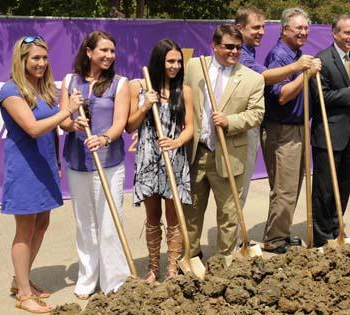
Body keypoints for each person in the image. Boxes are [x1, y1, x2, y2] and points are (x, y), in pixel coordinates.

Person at [0, 35, 82, 313]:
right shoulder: (10, 91)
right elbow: (33, 128)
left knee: (42, 224)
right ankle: (24, 296)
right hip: (24, 170)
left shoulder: (43, 89)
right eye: (35, 58)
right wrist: (66, 111)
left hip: (45, 166)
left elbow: (56, 126)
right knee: (24, 231)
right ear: (21, 60)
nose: (41, 63)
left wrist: (73, 123)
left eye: (44, 58)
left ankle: (19, 280)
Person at [60, 31, 130, 299]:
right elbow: (63, 119)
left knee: (110, 221)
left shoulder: (120, 83)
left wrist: (103, 138)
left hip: (109, 163)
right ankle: (88, 277)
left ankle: (115, 278)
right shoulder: (70, 81)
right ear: (89, 52)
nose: (109, 56)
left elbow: (120, 123)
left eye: (112, 51)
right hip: (78, 162)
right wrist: (72, 122)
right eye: (103, 51)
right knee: (85, 222)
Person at [183, 24, 265, 258]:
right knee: (192, 210)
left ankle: (225, 260)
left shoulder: (252, 79)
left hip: (229, 153)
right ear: (215, 46)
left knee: (229, 213)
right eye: (229, 47)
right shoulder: (195, 67)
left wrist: (229, 121)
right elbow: (183, 98)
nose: (234, 52)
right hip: (197, 152)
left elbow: (257, 114)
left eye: (238, 48)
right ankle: (192, 256)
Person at [126, 39, 194, 282]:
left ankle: (172, 268)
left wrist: (176, 143)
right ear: (159, 61)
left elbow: (190, 128)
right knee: (153, 216)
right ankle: (154, 269)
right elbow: (129, 126)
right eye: (170, 61)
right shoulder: (140, 88)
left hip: (173, 157)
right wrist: (145, 105)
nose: (175, 66)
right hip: (148, 158)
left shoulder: (184, 91)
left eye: (178, 61)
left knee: (173, 217)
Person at [235, 6, 312, 209]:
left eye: (263, 27)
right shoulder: (241, 55)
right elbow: (266, 79)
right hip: (243, 126)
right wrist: (300, 69)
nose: (261, 32)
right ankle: (237, 240)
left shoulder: (250, 50)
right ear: (240, 28)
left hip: (252, 123)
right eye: (256, 28)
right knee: (241, 187)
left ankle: (241, 238)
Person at [260, 8, 321, 253]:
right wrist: (304, 74)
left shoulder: (296, 54)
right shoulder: (280, 56)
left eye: (306, 28)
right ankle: (274, 239)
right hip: (281, 130)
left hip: (298, 127)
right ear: (285, 29)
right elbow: (283, 95)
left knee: (294, 185)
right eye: (298, 28)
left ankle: (282, 234)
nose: (303, 32)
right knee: (284, 187)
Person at [311, 14, 350, 246]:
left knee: (343, 185)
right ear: (334, 33)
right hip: (329, 134)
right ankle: (321, 237)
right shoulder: (322, 60)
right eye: (346, 33)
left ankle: (337, 229)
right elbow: (321, 97)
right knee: (325, 188)